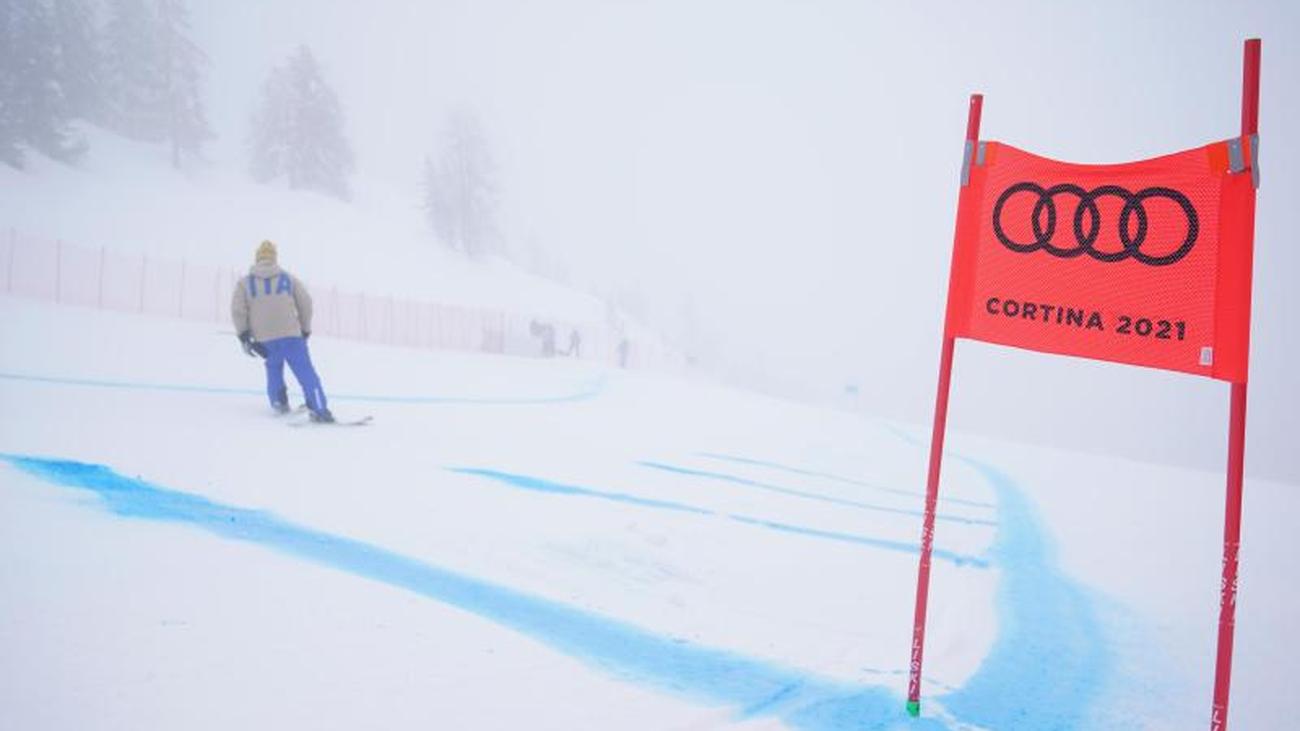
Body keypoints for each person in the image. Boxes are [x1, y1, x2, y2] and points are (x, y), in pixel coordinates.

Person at [231, 240, 334, 422]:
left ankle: (278, 402)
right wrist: (305, 329)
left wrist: (244, 336)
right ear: (274, 258)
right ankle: (319, 408)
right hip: (291, 335)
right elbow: (306, 303)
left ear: (257, 259)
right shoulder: (288, 278)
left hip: (265, 339)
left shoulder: (244, 283)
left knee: (273, 368)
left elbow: (238, 310)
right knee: (305, 371)